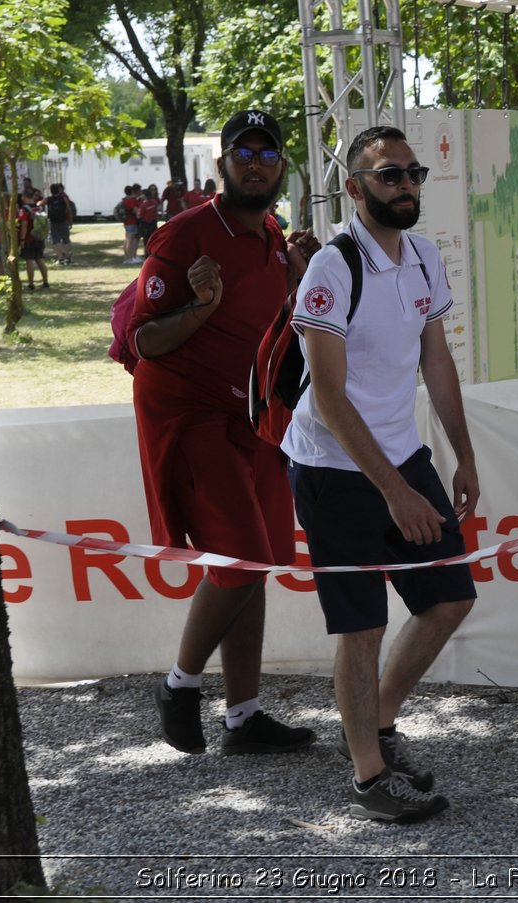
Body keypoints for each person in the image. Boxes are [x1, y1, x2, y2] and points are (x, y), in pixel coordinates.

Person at [285, 125, 475, 825]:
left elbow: (438, 362)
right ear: (356, 188)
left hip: (403, 456)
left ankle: (375, 727)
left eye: (413, 172)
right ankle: (369, 776)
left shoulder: (424, 256)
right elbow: (329, 398)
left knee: (449, 597)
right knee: (361, 627)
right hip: (333, 467)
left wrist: (463, 454)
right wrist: (394, 492)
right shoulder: (332, 269)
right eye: (389, 175)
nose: (406, 186)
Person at [128, 109, 321, 759]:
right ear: (223, 164)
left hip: (253, 418)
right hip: (192, 414)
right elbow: (143, 340)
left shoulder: (273, 238)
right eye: (245, 152)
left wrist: (299, 280)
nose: (257, 163)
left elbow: (274, 331)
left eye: (268, 154)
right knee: (239, 554)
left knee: (259, 558)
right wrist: (198, 306)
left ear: (282, 169)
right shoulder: (183, 237)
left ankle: (244, 719)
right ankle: (180, 686)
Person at [17, 189, 50, 290]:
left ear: (24, 197)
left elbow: (24, 224)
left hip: (29, 238)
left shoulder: (24, 209)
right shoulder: (39, 208)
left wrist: (22, 240)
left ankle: (31, 284)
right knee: (40, 259)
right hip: (39, 237)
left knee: (29, 260)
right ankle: (45, 282)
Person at [44, 183, 76, 265]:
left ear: (51, 191)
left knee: (55, 240)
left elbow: (39, 204)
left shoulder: (48, 199)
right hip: (63, 221)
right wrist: (70, 221)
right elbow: (69, 209)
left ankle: (60, 258)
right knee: (66, 239)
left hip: (53, 222)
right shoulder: (63, 198)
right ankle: (68, 257)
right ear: (59, 190)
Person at [120, 184, 143, 264]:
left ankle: (127, 258)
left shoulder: (125, 199)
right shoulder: (131, 200)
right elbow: (137, 212)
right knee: (130, 241)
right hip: (131, 222)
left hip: (127, 222)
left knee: (127, 240)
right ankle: (129, 258)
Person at [137, 184, 162, 254]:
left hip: (146, 225)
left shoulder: (143, 205)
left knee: (146, 241)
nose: (140, 196)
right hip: (153, 224)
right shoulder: (154, 202)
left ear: (144, 195)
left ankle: (147, 254)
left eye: (141, 194)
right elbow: (157, 211)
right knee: (154, 239)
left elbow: (139, 216)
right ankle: (154, 252)